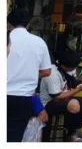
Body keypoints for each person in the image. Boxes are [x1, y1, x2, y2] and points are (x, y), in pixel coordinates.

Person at [7, 8, 52, 142]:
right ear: (28, 24)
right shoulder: (39, 42)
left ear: (9, 23)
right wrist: (29, 73)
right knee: (14, 136)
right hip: (24, 99)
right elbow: (47, 71)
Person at [40, 51, 82, 141]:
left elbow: (73, 84)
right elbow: (57, 97)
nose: (75, 68)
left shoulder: (65, 70)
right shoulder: (52, 74)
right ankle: (70, 131)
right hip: (49, 103)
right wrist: (78, 89)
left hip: (64, 99)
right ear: (67, 66)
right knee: (74, 105)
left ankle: (73, 131)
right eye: (74, 67)